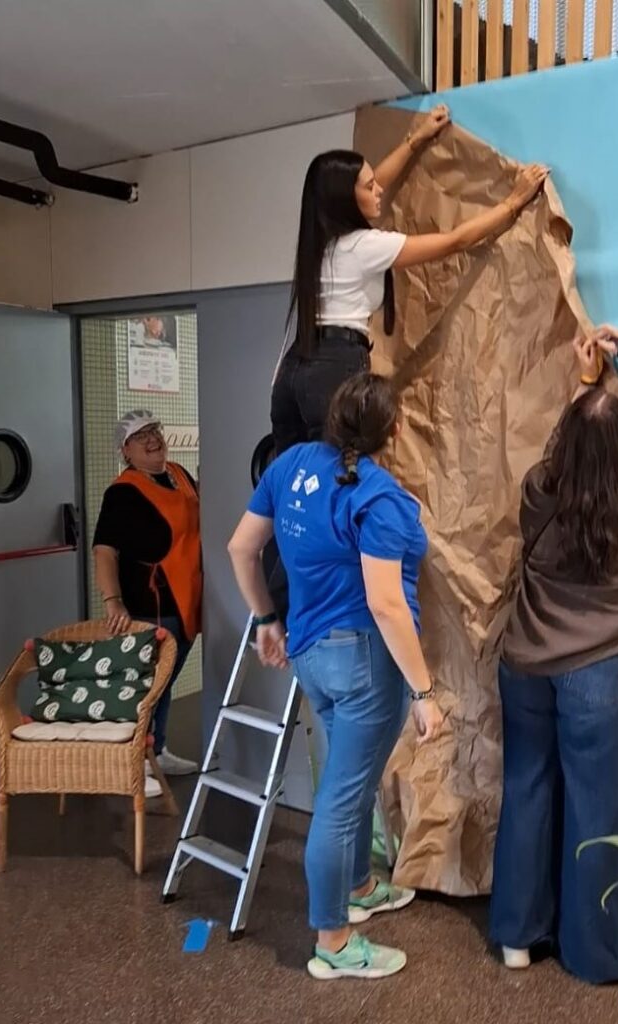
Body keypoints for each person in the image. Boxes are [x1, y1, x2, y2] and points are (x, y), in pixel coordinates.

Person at [228, 373, 444, 981]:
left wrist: (266, 619)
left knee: (353, 777)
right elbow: (386, 603)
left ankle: (359, 886)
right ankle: (333, 940)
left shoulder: (291, 465)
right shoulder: (379, 498)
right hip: (363, 662)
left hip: (311, 654)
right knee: (342, 801)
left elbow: (241, 548)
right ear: (393, 431)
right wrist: (424, 691)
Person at [489, 328, 618, 984]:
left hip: (525, 666)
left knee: (527, 792)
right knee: (601, 809)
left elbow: (565, 449)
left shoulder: (541, 489)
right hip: (605, 674)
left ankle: (517, 938)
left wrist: (586, 381)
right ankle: (597, 956)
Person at [269, 103, 549, 454]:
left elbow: (377, 183)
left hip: (294, 369)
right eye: (369, 186)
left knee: (290, 479)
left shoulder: (318, 238)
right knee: (338, 475)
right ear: (347, 199)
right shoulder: (364, 246)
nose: (379, 189)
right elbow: (455, 241)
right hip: (334, 368)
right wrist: (514, 201)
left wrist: (416, 139)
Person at [93, 411, 202, 797]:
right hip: (149, 605)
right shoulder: (122, 493)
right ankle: (134, 762)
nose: (152, 439)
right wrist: (113, 601)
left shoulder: (179, 474)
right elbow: (105, 550)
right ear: (125, 450)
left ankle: (159, 749)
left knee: (164, 681)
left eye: (154, 430)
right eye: (140, 436)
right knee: (146, 687)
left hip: (187, 599)